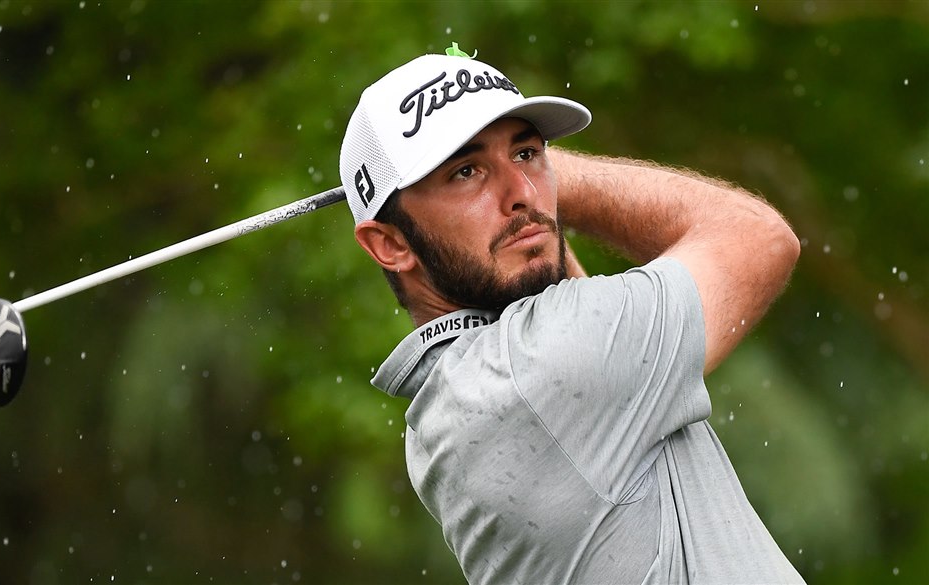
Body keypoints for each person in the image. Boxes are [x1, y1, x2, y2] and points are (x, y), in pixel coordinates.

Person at [338, 45, 804, 584]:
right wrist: (559, 177)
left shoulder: (451, 406)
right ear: (391, 244)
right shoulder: (543, 364)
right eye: (466, 171)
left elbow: (564, 294)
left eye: (528, 153)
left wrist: (516, 187)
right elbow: (759, 238)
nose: (522, 193)